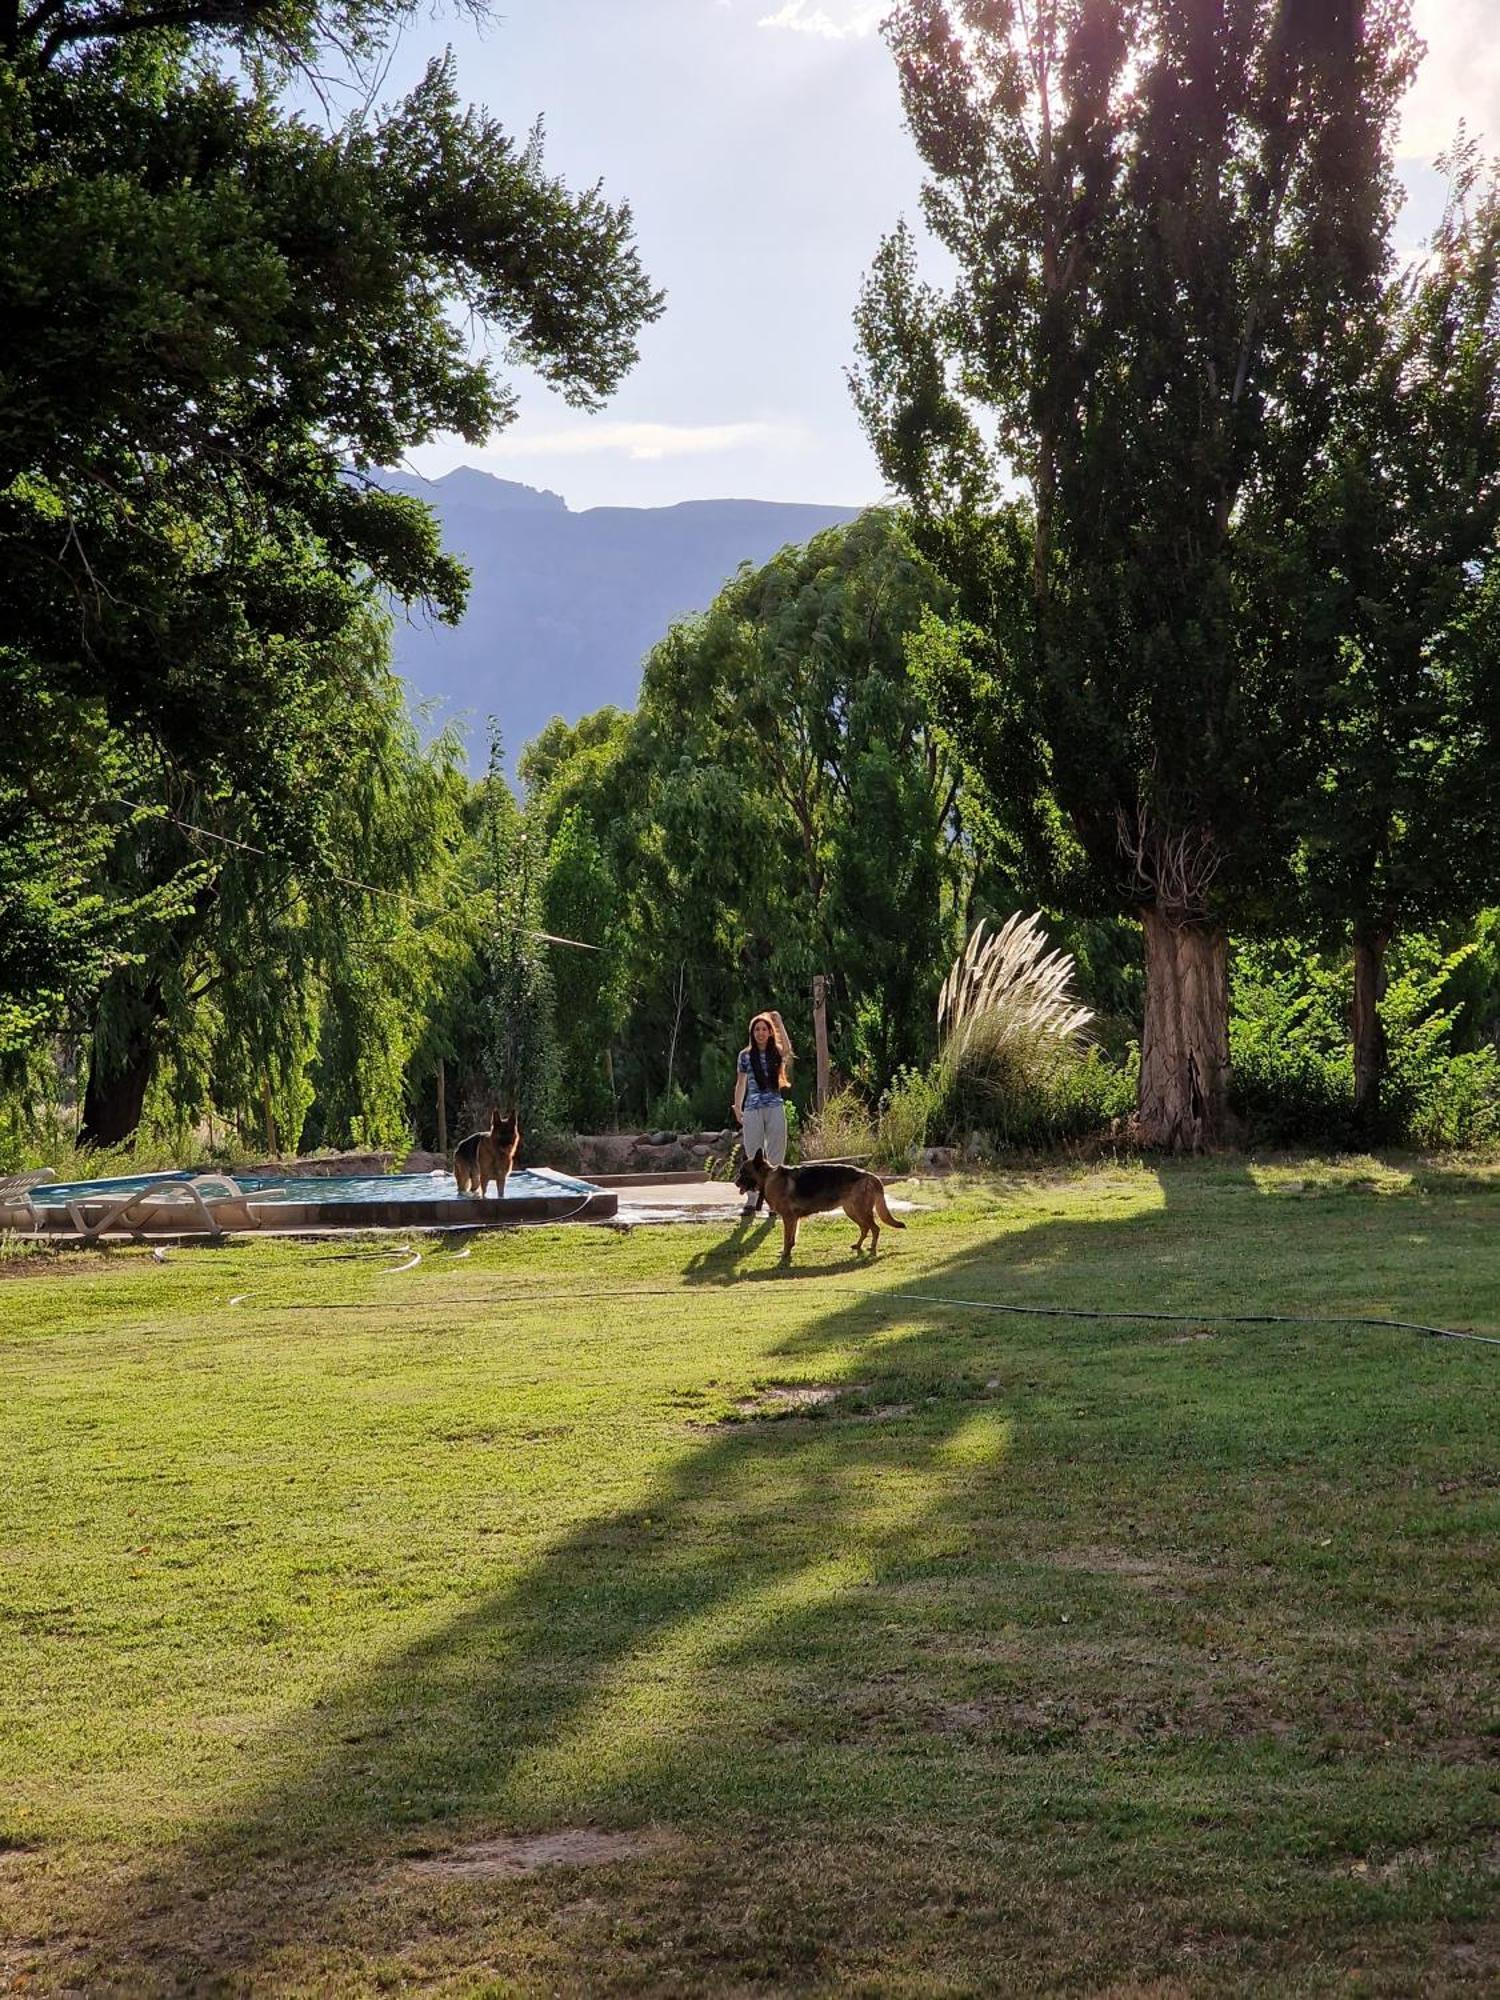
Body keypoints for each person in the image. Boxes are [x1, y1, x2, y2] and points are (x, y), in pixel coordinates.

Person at [732, 1010, 793, 1215]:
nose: (760, 1033)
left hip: (774, 1105)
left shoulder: (775, 1052)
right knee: (753, 1153)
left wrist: (779, 1022)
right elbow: (740, 1083)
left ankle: (775, 1200)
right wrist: (737, 1107)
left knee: (776, 1152)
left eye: (764, 1029)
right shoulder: (745, 1056)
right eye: (757, 1029)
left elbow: (787, 1049)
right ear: (752, 1032)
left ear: (769, 1032)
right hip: (752, 1109)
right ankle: (752, 1200)